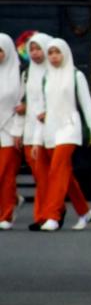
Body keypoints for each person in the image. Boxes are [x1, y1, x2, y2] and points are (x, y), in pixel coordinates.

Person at [36, 38, 91, 231]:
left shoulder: (76, 76)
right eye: (50, 53)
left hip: (70, 128)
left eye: (57, 52)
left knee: (57, 171)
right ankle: (84, 212)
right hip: (51, 129)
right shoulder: (46, 77)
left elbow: (87, 105)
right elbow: (43, 105)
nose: (54, 57)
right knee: (65, 175)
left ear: (65, 53)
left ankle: (52, 215)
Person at [14, 32, 52, 229]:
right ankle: (48, 213)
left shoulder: (52, 72)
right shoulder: (27, 74)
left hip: (49, 132)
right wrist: (18, 132)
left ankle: (45, 215)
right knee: (39, 176)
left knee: (46, 175)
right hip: (30, 131)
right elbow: (23, 103)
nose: (35, 53)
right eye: (32, 49)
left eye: (38, 49)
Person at [0, 33, 23, 230]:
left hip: (9, 132)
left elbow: (22, 106)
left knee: (5, 175)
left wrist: (18, 131)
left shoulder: (19, 75)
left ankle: (6, 216)